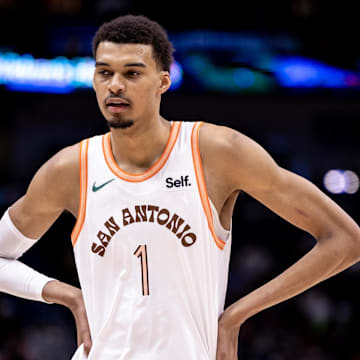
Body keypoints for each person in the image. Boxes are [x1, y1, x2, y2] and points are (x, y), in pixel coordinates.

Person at [0, 14, 359, 360]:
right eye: (104, 72)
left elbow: (345, 239)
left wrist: (236, 316)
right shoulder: (69, 169)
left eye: (132, 73)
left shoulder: (217, 152)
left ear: (163, 80)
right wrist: (65, 295)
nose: (115, 85)